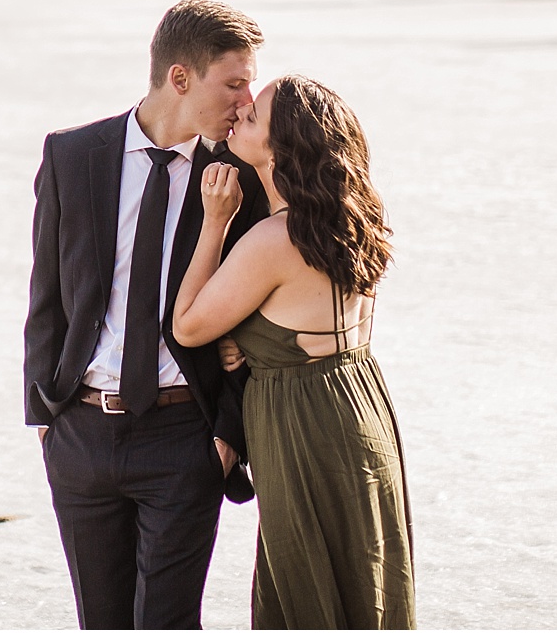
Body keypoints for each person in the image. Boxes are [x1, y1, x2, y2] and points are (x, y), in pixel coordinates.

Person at [25, 0, 273, 630]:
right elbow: (47, 296)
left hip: (184, 437)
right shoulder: (72, 156)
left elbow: (255, 315)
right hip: (80, 433)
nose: (247, 102)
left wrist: (226, 433)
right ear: (180, 77)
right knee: (101, 623)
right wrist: (46, 421)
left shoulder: (237, 176)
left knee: (167, 623)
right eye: (235, 83)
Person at [172, 74, 415, 630]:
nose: (239, 116)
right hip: (361, 407)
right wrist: (249, 342)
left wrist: (216, 223)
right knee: (364, 576)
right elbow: (300, 324)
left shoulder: (273, 240)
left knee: (306, 588)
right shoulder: (350, 220)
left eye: (253, 117)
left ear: (283, 148)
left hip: (304, 428)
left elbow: (187, 326)